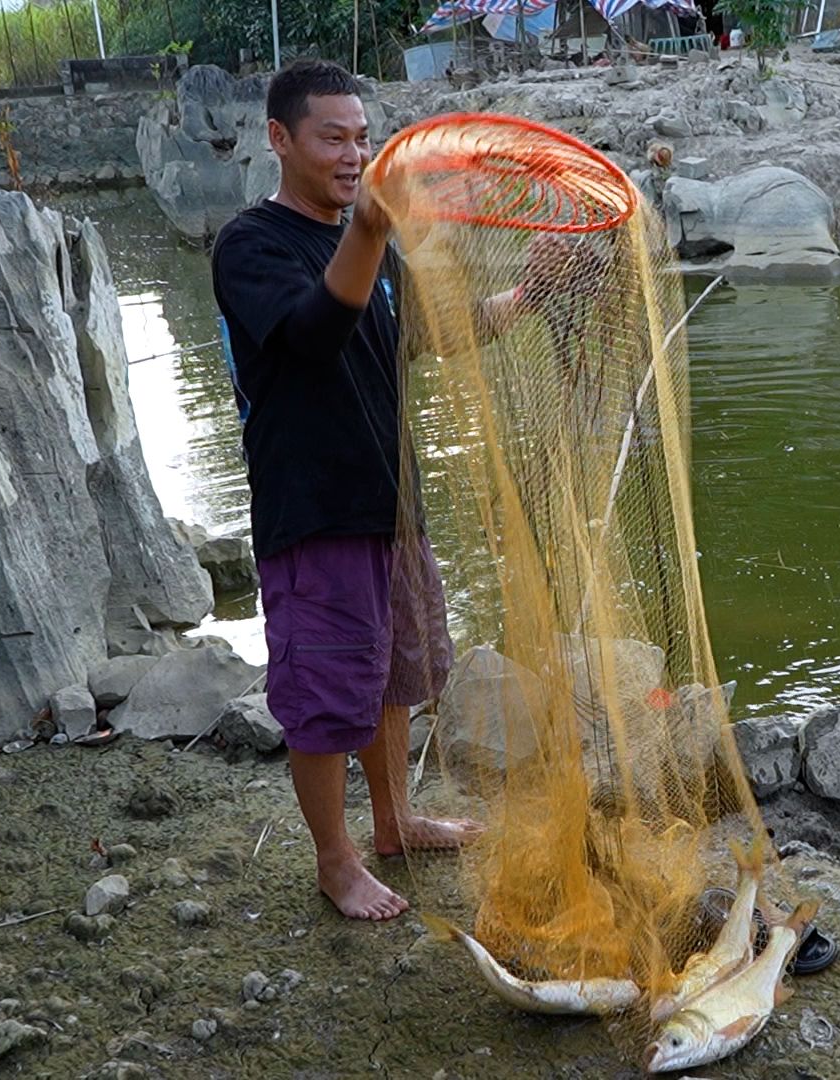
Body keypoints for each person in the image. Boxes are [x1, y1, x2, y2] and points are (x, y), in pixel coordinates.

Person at [209, 60, 530, 920]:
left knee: (393, 674)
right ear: (280, 139)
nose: (354, 155)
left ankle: (395, 821)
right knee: (324, 699)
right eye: (332, 138)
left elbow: (426, 334)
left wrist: (527, 296)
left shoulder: (367, 249)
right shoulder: (252, 245)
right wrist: (372, 230)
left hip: (392, 505)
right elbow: (314, 335)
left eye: (362, 138)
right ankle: (335, 860)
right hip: (314, 514)